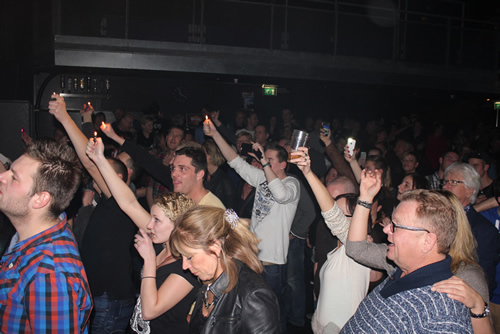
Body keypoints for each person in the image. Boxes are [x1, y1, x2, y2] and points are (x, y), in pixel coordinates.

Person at [345, 169, 492, 333]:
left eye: (397, 225)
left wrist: (480, 309)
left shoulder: (447, 303)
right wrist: (365, 198)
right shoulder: (402, 265)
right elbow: (356, 248)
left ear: (428, 239)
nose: (386, 229)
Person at [86, 137, 200, 333]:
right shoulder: (161, 243)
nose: (149, 224)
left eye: (156, 220)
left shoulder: (187, 266)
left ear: (178, 227)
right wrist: (99, 159)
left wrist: (149, 260)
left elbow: (149, 311)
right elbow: (128, 202)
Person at [49, 94, 138, 333]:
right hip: (99, 295)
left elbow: (89, 160)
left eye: (104, 168)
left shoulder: (119, 201)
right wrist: (87, 120)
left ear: (117, 179)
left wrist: (65, 117)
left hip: (109, 300)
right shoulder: (101, 200)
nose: (98, 169)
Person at [205, 119, 300, 333]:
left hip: (273, 262)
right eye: (266, 159)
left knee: (274, 311)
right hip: (252, 256)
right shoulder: (262, 178)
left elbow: (281, 195)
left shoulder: (292, 183)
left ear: (283, 165)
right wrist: (215, 134)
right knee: (251, 308)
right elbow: (235, 162)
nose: (266, 163)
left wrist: (264, 164)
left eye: (271, 160)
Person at [0, 139, 92, 333]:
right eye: (8, 169)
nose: (2, 176)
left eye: (14, 177)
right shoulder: (31, 233)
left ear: (40, 199)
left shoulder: (49, 276)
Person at [290, 149, 371, 333]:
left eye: (341, 214)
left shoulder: (358, 249)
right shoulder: (337, 247)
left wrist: (308, 172)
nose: (332, 216)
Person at [169, 206, 280, 333]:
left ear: (215, 247)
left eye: (189, 257)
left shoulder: (253, 296)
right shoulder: (207, 283)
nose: (184, 266)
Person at [443, 162, 500, 296]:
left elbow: (485, 280)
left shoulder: (483, 230)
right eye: (445, 181)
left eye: (453, 182)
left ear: (470, 191)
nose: (445, 186)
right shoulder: (434, 218)